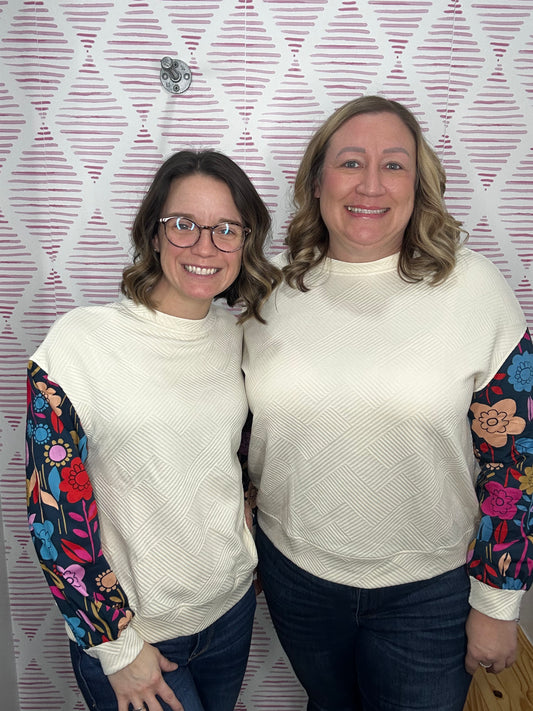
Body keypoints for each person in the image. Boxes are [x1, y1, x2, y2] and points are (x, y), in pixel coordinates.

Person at [242, 96, 533, 711]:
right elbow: (238, 439)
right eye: (351, 162)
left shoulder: (475, 289)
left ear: (418, 185)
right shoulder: (269, 295)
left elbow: (517, 461)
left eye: (394, 165)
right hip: (297, 576)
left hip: (430, 593)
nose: (371, 183)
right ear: (317, 181)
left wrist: (497, 600)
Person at [25, 149, 280, 711]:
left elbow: (235, 457)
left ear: (246, 242)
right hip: (133, 633)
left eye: (226, 230)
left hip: (230, 612)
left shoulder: (239, 337)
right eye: (184, 225)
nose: (205, 247)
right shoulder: (77, 344)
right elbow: (53, 509)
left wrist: (247, 522)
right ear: (154, 233)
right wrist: (115, 645)